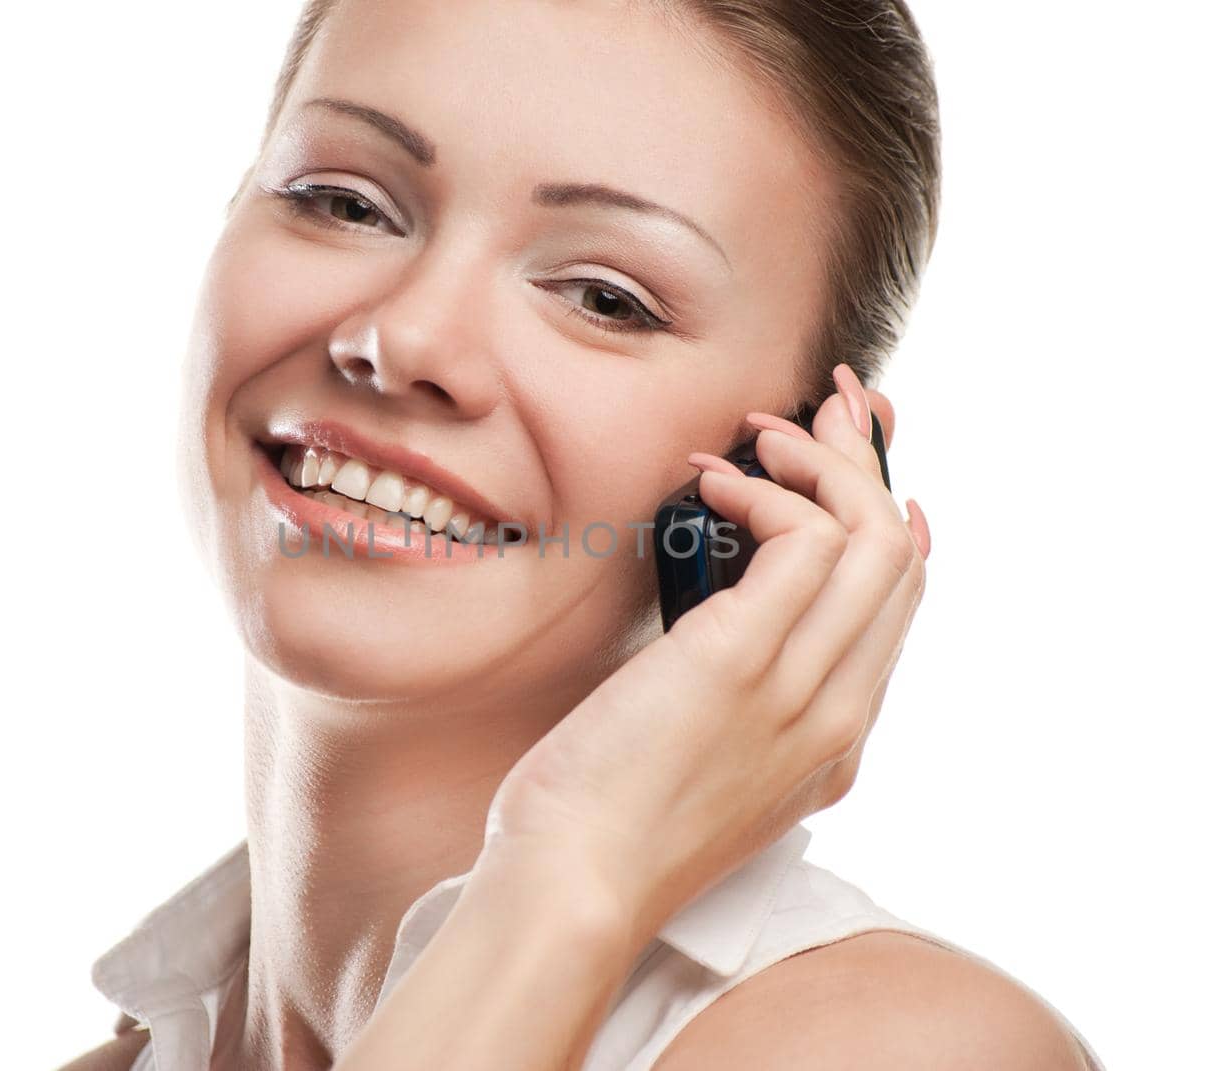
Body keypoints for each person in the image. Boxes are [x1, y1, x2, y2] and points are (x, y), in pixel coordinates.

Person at [65, 1, 1104, 1068]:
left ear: (793, 469)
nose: (403, 337)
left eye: (606, 299)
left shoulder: (895, 1049)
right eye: (345, 202)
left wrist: (575, 869)